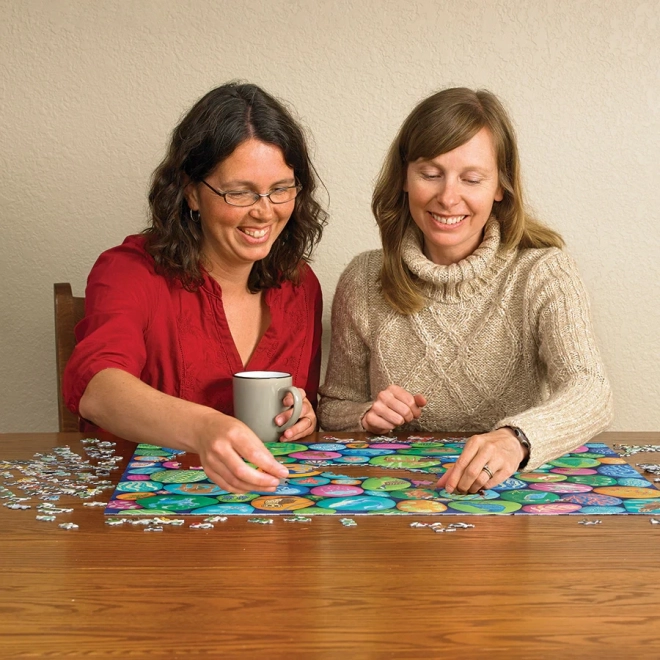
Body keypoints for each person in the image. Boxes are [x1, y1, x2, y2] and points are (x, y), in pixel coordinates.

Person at [318, 87, 613, 494]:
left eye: (471, 178)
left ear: (500, 187)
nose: (448, 197)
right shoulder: (363, 278)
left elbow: (591, 389)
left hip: (513, 495)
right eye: (430, 174)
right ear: (405, 177)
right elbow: (333, 408)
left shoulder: (544, 271)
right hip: (399, 496)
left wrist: (516, 439)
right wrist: (367, 415)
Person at [64, 82, 327, 494]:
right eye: (239, 192)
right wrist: (205, 428)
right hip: (143, 515)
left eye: (280, 189)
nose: (264, 211)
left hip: (267, 515)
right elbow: (98, 389)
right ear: (190, 191)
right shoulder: (129, 272)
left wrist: (304, 416)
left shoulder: (300, 286)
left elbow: (299, 413)